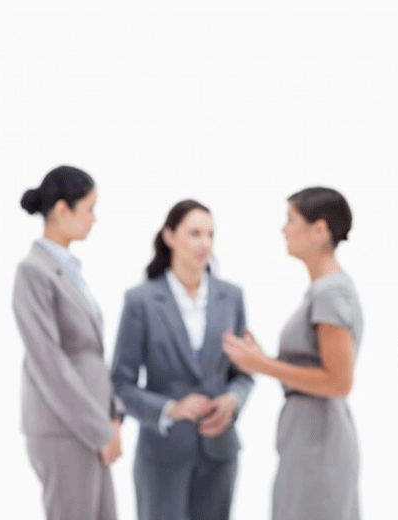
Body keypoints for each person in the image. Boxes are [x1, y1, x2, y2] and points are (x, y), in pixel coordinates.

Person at [223, 187, 363, 520]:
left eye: (291, 220)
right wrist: (264, 361)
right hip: (308, 434)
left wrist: (264, 365)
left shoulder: (331, 293)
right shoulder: (323, 291)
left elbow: (339, 382)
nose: (283, 229)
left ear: (320, 229)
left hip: (320, 441)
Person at [111, 199, 253, 520]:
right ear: (170, 237)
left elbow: (244, 373)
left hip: (219, 450)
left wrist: (232, 400)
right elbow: (120, 383)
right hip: (162, 455)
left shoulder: (231, 296)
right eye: (194, 233)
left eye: (210, 234)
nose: (205, 243)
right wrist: (170, 409)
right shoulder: (141, 301)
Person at [12, 165, 122, 520]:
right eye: (89, 208)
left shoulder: (70, 271)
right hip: (65, 427)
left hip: (90, 425)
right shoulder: (33, 272)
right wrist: (100, 428)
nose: (94, 219)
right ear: (62, 210)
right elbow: (49, 362)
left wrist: (112, 413)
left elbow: (92, 353)